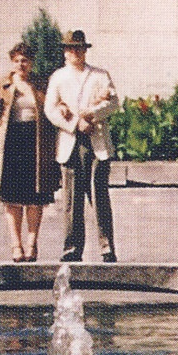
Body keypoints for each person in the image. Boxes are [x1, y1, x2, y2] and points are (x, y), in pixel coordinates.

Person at [0, 42, 60, 262]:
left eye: (25, 60)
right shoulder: (2, 84)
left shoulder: (42, 84)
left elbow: (53, 110)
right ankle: (16, 246)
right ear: (11, 62)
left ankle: (32, 244)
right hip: (11, 142)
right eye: (16, 60)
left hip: (37, 142)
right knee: (11, 198)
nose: (21, 64)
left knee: (35, 197)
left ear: (31, 62)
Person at [44, 30, 120, 263]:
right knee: (71, 200)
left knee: (99, 196)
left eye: (79, 48)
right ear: (65, 52)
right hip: (70, 141)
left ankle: (106, 248)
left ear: (85, 50)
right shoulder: (58, 77)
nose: (75, 52)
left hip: (96, 143)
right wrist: (75, 123)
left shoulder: (100, 74)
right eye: (70, 48)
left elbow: (113, 102)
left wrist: (91, 114)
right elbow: (50, 108)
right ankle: (72, 249)